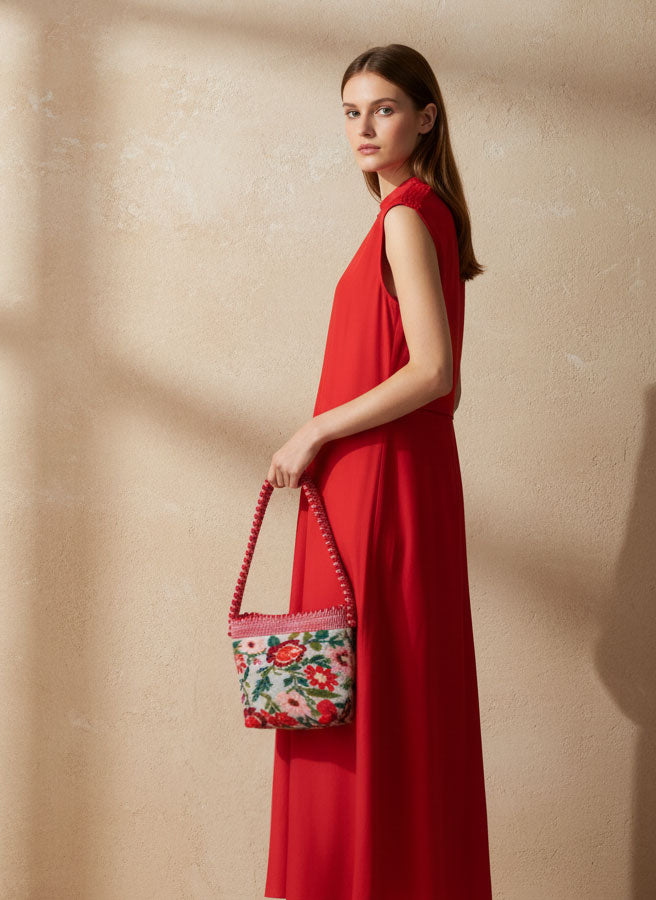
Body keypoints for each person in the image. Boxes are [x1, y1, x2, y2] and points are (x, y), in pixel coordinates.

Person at [261, 44, 493, 899]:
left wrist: (312, 430)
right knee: (379, 690)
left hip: (380, 486)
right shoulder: (416, 213)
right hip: (387, 480)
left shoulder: (406, 214)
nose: (365, 127)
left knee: (356, 689)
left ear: (426, 117)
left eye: (385, 109)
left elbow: (435, 375)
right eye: (352, 112)